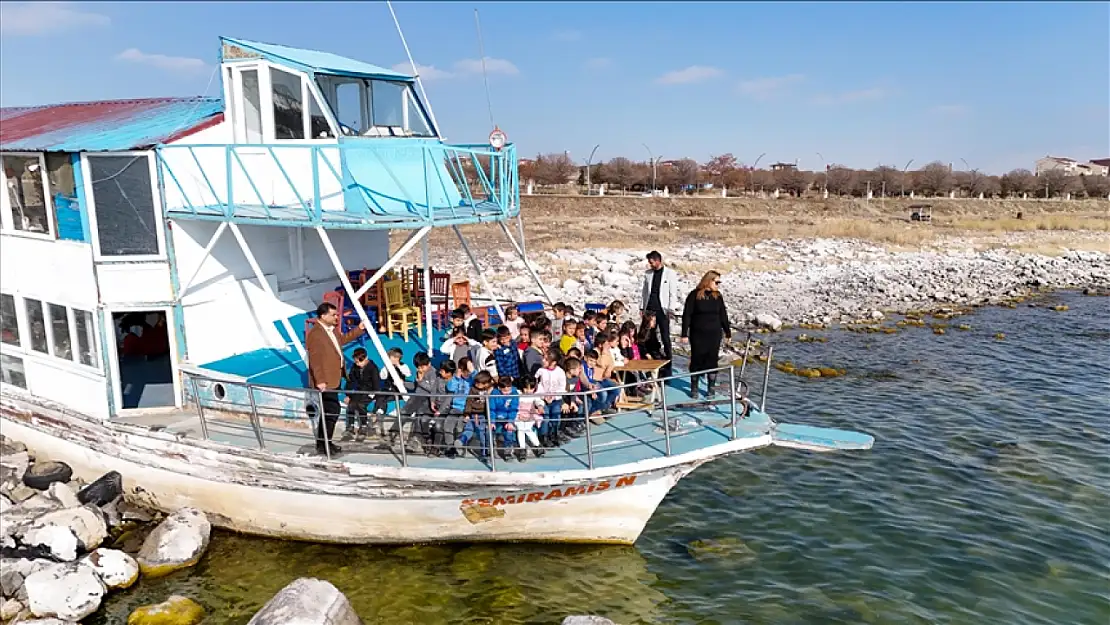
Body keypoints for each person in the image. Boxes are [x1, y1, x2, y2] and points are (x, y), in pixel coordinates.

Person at [306, 302, 365, 455]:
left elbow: (342, 341)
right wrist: (320, 380)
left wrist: (359, 330)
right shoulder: (315, 335)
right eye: (333, 315)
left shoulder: (332, 331)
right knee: (331, 410)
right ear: (323, 316)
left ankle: (325, 443)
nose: (336, 317)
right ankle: (324, 444)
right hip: (325, 380)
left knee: (329, 412)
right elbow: (315, 360)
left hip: (334, 377)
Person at [680, 270, 732, 399]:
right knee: (697, 358)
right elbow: (687, 315)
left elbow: (723, 315)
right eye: (716, 282)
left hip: (714, 333)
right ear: (708, 281)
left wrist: (727, 332)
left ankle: (711, 388)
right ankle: (694, 387)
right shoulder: (694, 295)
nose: (718, 285)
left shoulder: (717, 296)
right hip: (698, 333)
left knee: (712, 359)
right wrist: (684, 334)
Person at [639, 250, 680, 379]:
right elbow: (645, 292)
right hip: (649, 308)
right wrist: (642, 307)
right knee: (647, 336)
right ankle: (651, 363)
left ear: (658, 261)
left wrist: (671, 309)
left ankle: (668, 367)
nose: (650, 265)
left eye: (652, 262)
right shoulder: (648, 274)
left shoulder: (670, 274)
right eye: (649, 263)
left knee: (665, 338)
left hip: (663, 309)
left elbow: (672, 293)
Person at [341, 348, 379, 442]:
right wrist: (348, 395)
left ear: (365, 358)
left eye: (359, 362)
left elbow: (376, 385)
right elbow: (350, 381)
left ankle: (363, 426)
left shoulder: (373, 368)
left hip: (370, 392)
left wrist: (374, 396)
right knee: (351, 404)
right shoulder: (355, 367)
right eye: (356, 362)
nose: (358, 364)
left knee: (361, 405)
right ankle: (350, 426)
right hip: (359, 391)